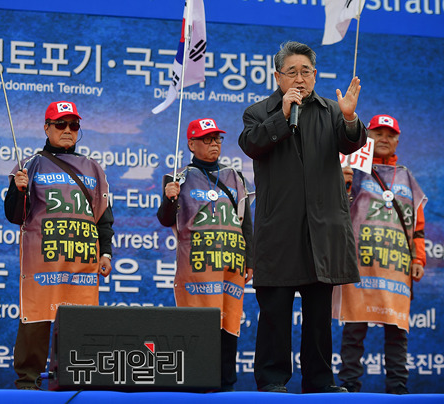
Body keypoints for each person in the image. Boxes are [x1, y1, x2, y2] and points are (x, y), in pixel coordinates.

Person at [238, 41, 367, 393]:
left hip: (320, 230)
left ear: (315, 75)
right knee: (275, 311)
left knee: (318, 314)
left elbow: (351, 142)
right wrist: (282, 115)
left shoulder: (331, 110)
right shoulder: (258, 112)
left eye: (306, 72)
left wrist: (350, 117)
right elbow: (251, 144)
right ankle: (272, 380)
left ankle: (320, 381)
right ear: (277, 76)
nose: (299, 78)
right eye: (292, 72)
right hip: (279, 229)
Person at [4, 101, 114, 390]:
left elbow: (103, 217)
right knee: (37, 318)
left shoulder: (93, 168)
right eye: (60, 124)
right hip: (44, 261)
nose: (68, 130)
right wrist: (19, 190)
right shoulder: (30, 165)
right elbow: (15, 216)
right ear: (46, 127)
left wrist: (105, 252)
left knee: (77, 322)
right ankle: (27, 384)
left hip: (82, 261)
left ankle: (73, 385)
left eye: (73, 125)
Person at [157, 118, 254, 392]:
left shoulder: (235, 177)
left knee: (228, 321)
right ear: (191, 144)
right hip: (197, 266)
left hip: (231, 264)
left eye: (217, 139)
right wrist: (170, 198)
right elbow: (165, 219)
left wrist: (251, 260)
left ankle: (226, 384)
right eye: (207, 139)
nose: (214, 144)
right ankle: (196, 383)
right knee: (198, 323)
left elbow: (246, 223)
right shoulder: (178, 177)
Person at [334, 114, 427, 394]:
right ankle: (349, 385)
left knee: (397, 330)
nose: (384, 139)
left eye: (390, 135)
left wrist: (418, 259)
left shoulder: (406, 177)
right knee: (354, 328)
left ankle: (397, 387)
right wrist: (343, 183)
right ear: (368, 137)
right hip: (359, 267)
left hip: (395, 268)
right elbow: (337, 210)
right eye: (378, 134)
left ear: (397, 140)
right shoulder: (353, 170)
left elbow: (417, 225)